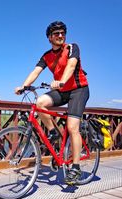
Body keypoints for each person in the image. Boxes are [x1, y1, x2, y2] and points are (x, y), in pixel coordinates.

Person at [15, 21, 89, 185]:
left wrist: (61, 81)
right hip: (62, 91)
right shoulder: (46, 55)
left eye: (62, 33)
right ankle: (53, 132)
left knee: (72, 127)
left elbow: (71, 65)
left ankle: (75, 168)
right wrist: (23, 86)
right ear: (49, 38)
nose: (60, 36)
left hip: (78, 89)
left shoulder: (72, 47)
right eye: (56, 34)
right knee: (40, 102)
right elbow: (36, 71)